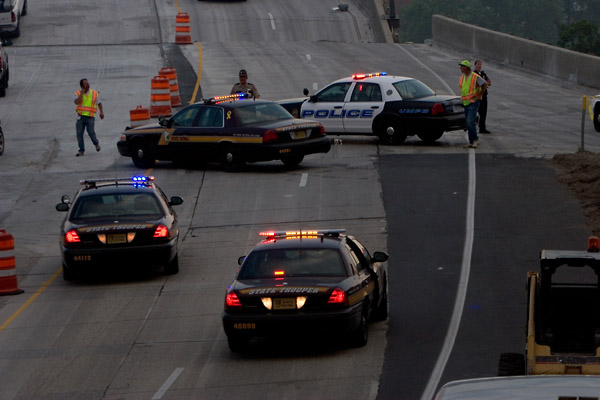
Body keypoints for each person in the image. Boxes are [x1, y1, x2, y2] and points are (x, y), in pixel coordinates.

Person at [458, 60, 487, 148]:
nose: (460, 68)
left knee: (470, 121)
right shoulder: (462, 77)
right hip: (466, 102)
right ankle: (473, 140)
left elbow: (484, 84)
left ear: (466, 68)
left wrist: (480, 94)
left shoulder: (474, 76)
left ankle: (474, 140)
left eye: (462, 66)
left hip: (473, 102)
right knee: (468, 122)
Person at [74, 78, 104, 157]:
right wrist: (81, 94)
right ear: (82, 86)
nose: (88, 84)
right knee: (79, 133)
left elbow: (99, 103)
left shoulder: (94, 93)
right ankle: (81, 150)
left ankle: (96, 143)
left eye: (87, 83)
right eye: (85, 84)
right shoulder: (78, 93)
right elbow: (76, 102)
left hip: (90, 117)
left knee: (91, 132)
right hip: (80, 117)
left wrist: (101, 112)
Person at [473, 60, 492, 134]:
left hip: (484, 95)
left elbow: (489, 82)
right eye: (478, 64)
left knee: (483, 113)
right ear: (475, 65)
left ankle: (482, 128)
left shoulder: (483, 74)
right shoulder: (474, 74)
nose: (479, 66)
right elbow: (476, 84)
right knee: (474, 113)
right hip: (477, 96)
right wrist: (484, 83)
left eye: (480, 64)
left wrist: (485, 83)